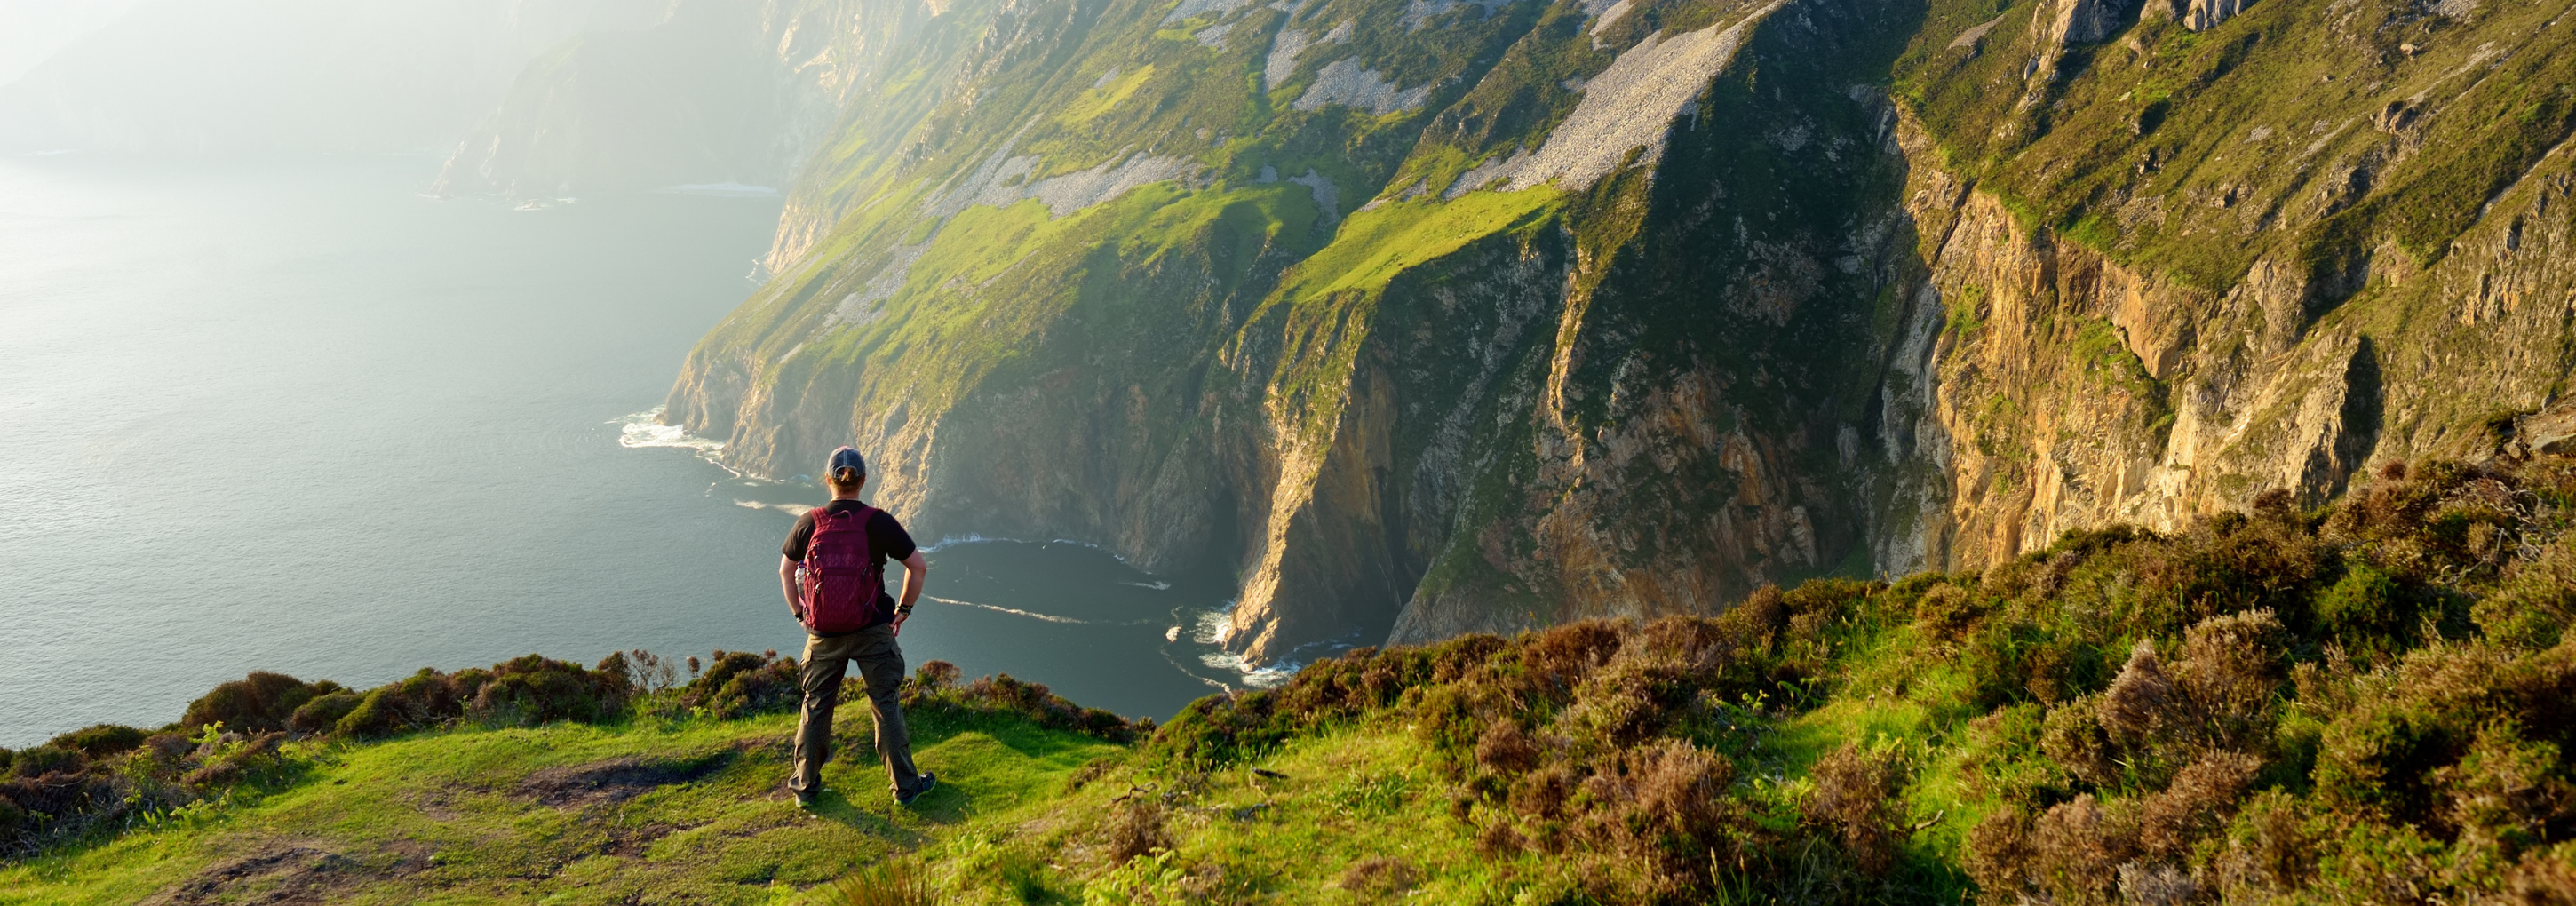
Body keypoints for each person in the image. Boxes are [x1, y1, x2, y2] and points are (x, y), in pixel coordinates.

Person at [779, 445, 935, 807]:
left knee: (816, 706)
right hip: (872, 630)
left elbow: (787, 573)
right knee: (885, 705)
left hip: (823, 635)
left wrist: (801, 615)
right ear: (863, 480)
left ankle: (806, 788)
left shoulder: (809, 522)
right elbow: (919, 567)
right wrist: (904, 610)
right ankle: (906, 788)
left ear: (828, 480)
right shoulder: (878, 521)